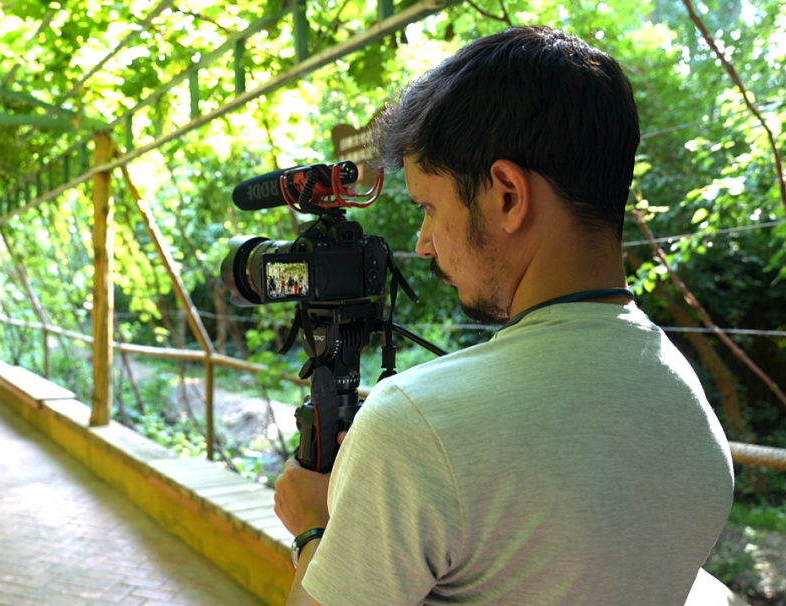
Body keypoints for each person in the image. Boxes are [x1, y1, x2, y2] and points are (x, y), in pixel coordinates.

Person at [273, 26, 734, 606]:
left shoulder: (415, 426)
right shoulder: (690, 410)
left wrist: (315, 528)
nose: (422, 243)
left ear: (507, 195)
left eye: (428, 208)